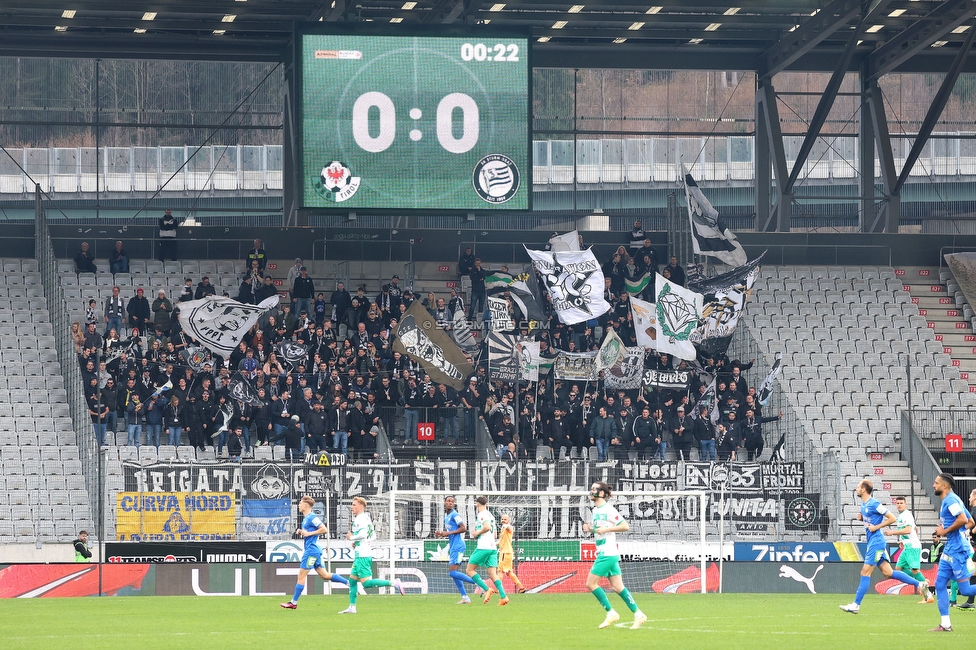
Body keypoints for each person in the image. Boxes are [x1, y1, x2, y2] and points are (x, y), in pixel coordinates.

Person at [840, 479, 928, 615]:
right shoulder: (863, 505)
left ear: (864, 490)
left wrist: (876, 527)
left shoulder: (874, 503)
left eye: (858, 487)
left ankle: (856, 605)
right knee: (889, 573)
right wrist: (861, 519)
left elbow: (891, 518)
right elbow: (870, 519)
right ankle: (920, 584)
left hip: (877, 542)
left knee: (865, 572)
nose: (856, 489)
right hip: (873, 542)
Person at [582, 481, 647, 629]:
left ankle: (611, 612)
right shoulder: (595, 510)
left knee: (590, 584)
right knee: (618, 587)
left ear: (602, 493)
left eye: (594, 489)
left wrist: (606, 529)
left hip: (607, 553)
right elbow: (600, 531)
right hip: (607, 552)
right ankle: (639, 614)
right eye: (591, 488)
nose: (591, 491)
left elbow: (625, 526)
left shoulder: (609, 510)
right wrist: (590, 530)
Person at [280, 495, 350, 609]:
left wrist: (308, 534)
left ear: (306, 505)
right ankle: (349, 583)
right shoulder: (306, 518)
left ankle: (293, 602)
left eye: (300, 503)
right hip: (315, 550)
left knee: (301, 576)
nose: (298, 505)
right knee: (324, 575)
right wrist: (302, 531)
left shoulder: (312, 517)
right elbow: (311, 531)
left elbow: (324, 529)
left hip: (311, 550)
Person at [339, 497, 405, 614]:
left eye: (354, 505)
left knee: (366, 583)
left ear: (360, 506)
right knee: (352, 581)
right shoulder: (366, 518)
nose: (352, 507)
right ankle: (352, 607)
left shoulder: (359, 519)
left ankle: (394, 583)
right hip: (363, 552)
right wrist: (358, 542)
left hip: (362, 556)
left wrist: (352, 538)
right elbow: (372, 536)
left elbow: (363, 534)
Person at [927, 473, 976, 631]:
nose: (934, 485)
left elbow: (963, 520)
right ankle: (945, 624)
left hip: (958, 551)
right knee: (940, 584)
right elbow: (971, 522)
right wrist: (955, 532)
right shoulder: (951, 500)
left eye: (936, 483)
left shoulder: (951, 500)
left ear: (944, 486)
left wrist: (944, 531)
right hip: (950, 549)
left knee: (966, 590)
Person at [883, 496, 930, 603]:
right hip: (907, 546)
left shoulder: (906, 515)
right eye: (897, 503)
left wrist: (892, 532)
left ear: (905, 504)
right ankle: (922, 581)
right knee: (898, 569)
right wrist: (902, 541)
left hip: (913, 546)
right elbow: (912, 529)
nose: (899, 504)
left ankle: (927, 595)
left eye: (901, 503)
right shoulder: (902, 516)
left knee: (914, 570)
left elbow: (908, 530)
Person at [465, 495, 510, 606]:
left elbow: (487, 527)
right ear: (487, 504)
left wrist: (476, 533)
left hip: (483, 546)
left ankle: (486, 589)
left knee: (469, 570)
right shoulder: (491, 515)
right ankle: (504, 597)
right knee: (492, 573)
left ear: (477, 504)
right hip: (492, 548)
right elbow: (494, 534)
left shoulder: (482, 514)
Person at [435, 495, 477, 604]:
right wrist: (441, 534)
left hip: (458, 546)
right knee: (454, 573)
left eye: (452, 502)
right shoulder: (446, 516)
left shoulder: (455, 514)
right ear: (445, 502)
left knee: (452, 573)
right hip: (453, 546)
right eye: (448, 501)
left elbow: (463, 528)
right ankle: (465, 597)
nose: (450, 503)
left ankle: (478, 583)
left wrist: (447, 533)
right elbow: (450, 532)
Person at [497, 514, 526, 594]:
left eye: (505, 519)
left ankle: (498, 589)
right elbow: (500, 541)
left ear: (508, 520)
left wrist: (506, 525)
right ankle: (521, 587)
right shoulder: (503, 529)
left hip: (505, 553)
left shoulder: (508, 527)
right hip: (507, 552)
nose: (503, 520)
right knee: (509, 572)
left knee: (500, 571)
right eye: (502, 519)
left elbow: (510, 528)